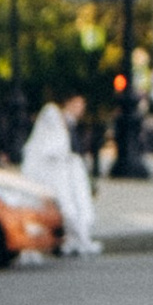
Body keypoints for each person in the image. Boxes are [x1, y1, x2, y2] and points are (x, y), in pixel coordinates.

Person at [21, 96, 101, 256]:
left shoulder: (45, 139)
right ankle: (73, 239)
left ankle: (70, 240)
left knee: (69, 211)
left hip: (61, 180)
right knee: (68, 211)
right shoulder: (55, 136)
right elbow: (55, 152)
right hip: (57, 182)